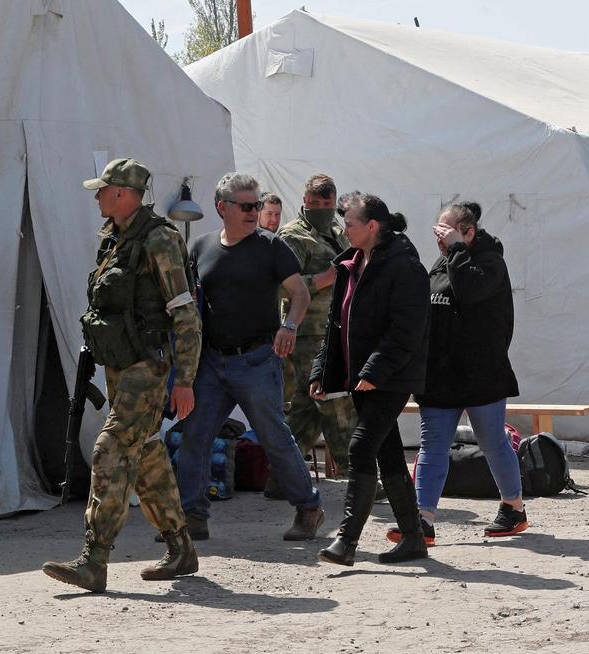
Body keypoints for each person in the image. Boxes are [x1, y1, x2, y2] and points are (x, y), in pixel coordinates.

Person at [43, 158, 201, 593]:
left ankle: (94, 561)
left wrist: (184, 379)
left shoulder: (160, 240)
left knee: (110, 449)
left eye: (102, 190)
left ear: (122, 193)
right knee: (146, 451)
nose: (96, 197)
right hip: (121, 366)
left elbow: (185, 313)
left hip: (146, 369)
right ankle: (181, 548)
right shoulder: (116, 239)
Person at [178, 172, 324, 541]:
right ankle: (192, 516)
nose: (253, 212)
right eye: (246, 206)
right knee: (195, 435)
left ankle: (308, 507)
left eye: (256, 205)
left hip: (257, 359)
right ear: (221, 208)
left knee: (274, 436)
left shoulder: (271, 246)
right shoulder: (201, 247)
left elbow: (300, 294)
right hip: (212, 361)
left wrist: (288, 327)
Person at [393, 201, 525, 547]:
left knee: (492, 441)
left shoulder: (489, 260)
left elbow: (470, 291)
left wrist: (454, 248)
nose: (440, 238)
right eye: (437, 231)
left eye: (447, 232)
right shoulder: (443, 260)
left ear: (469, 232)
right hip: (440, 375)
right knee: (433, 444)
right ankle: (422, 519)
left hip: (482, 372)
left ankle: (513, 507)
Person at [313, 193, 431, 566]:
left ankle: (346, 542)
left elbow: (406, 331)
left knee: (361, 448)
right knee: (388, 453)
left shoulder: (405, 267)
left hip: (390, 377)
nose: (343, 229)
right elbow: (336, 326)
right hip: (360, 378)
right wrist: (321, 370)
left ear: (372, 226)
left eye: (349, 223)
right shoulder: (351, 264)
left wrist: (374, 370)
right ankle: (413, 538)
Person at [273, 174, 354, 489]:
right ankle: (359, 476)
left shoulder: (337, 231)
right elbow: (280, 288)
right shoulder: (292, 236)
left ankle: (280, 477)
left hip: (337, 330)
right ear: (304, 201)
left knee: (308, 410)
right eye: (315, 203)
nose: (321, 208)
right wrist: (325, 278)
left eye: (327, 203)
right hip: (308, 333)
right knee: (336, 400)